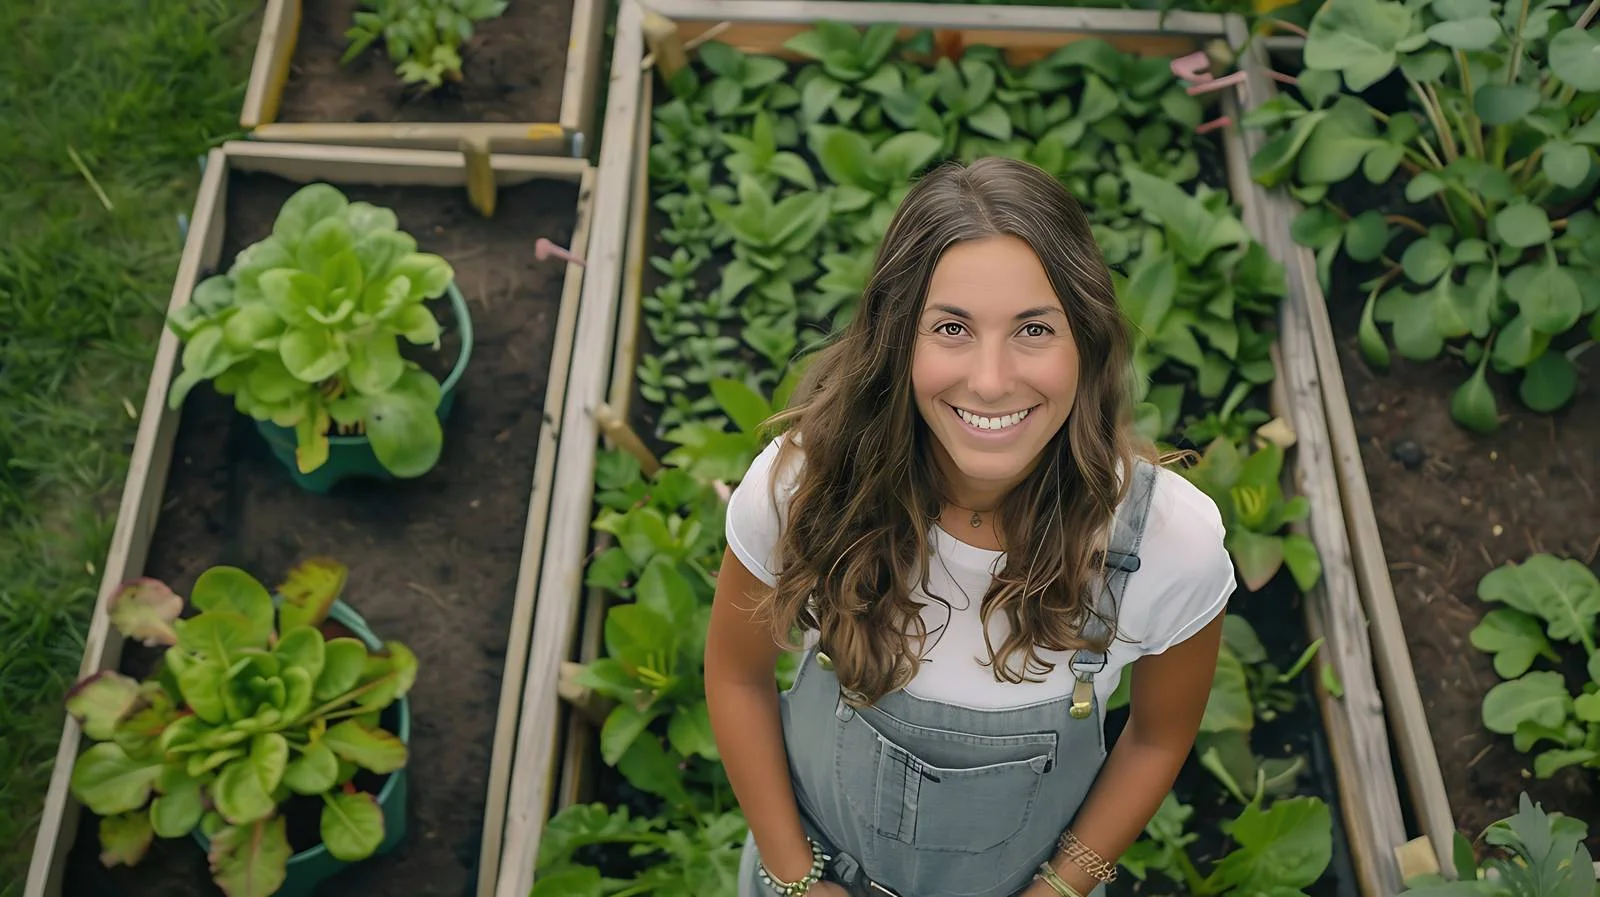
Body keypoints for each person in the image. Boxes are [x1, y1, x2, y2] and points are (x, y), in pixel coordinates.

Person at [704, 156, 1234, 897]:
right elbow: (736, 674)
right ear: (897, 337)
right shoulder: (808, 488)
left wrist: (1058, 888)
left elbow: (1156, 736)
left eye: (1033, 329)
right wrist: (797, 877)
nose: (990, 379)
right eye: (951, 326)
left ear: (1085, 337)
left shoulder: (1164, 545)